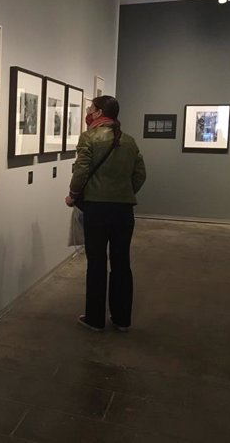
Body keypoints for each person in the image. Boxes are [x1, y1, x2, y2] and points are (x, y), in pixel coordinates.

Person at [65, 95, 146, 332]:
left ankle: (95, 318)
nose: (88, 111)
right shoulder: (129, 141)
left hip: (97, 209)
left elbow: (81, 171)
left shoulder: (89, 137)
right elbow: (140, 175)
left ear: (99, 113)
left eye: (90, 108)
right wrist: (124, 192)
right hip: (124, 211)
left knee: (97, 263)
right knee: (121, 263)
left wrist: (72, 194)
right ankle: (121, 319)